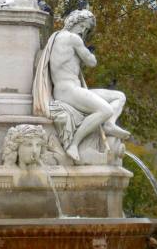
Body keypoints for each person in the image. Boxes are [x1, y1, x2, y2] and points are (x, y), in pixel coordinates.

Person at [33, 9, 130, 162]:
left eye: (87, 28)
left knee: (119, 97)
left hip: (73, 89)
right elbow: (92, 62)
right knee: (105, 110)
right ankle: (74, 144)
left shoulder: (56, 37)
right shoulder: (73, 38)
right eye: (85, 26)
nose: (84, 30)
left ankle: (109, 125)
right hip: (68, 90)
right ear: (76, 22)